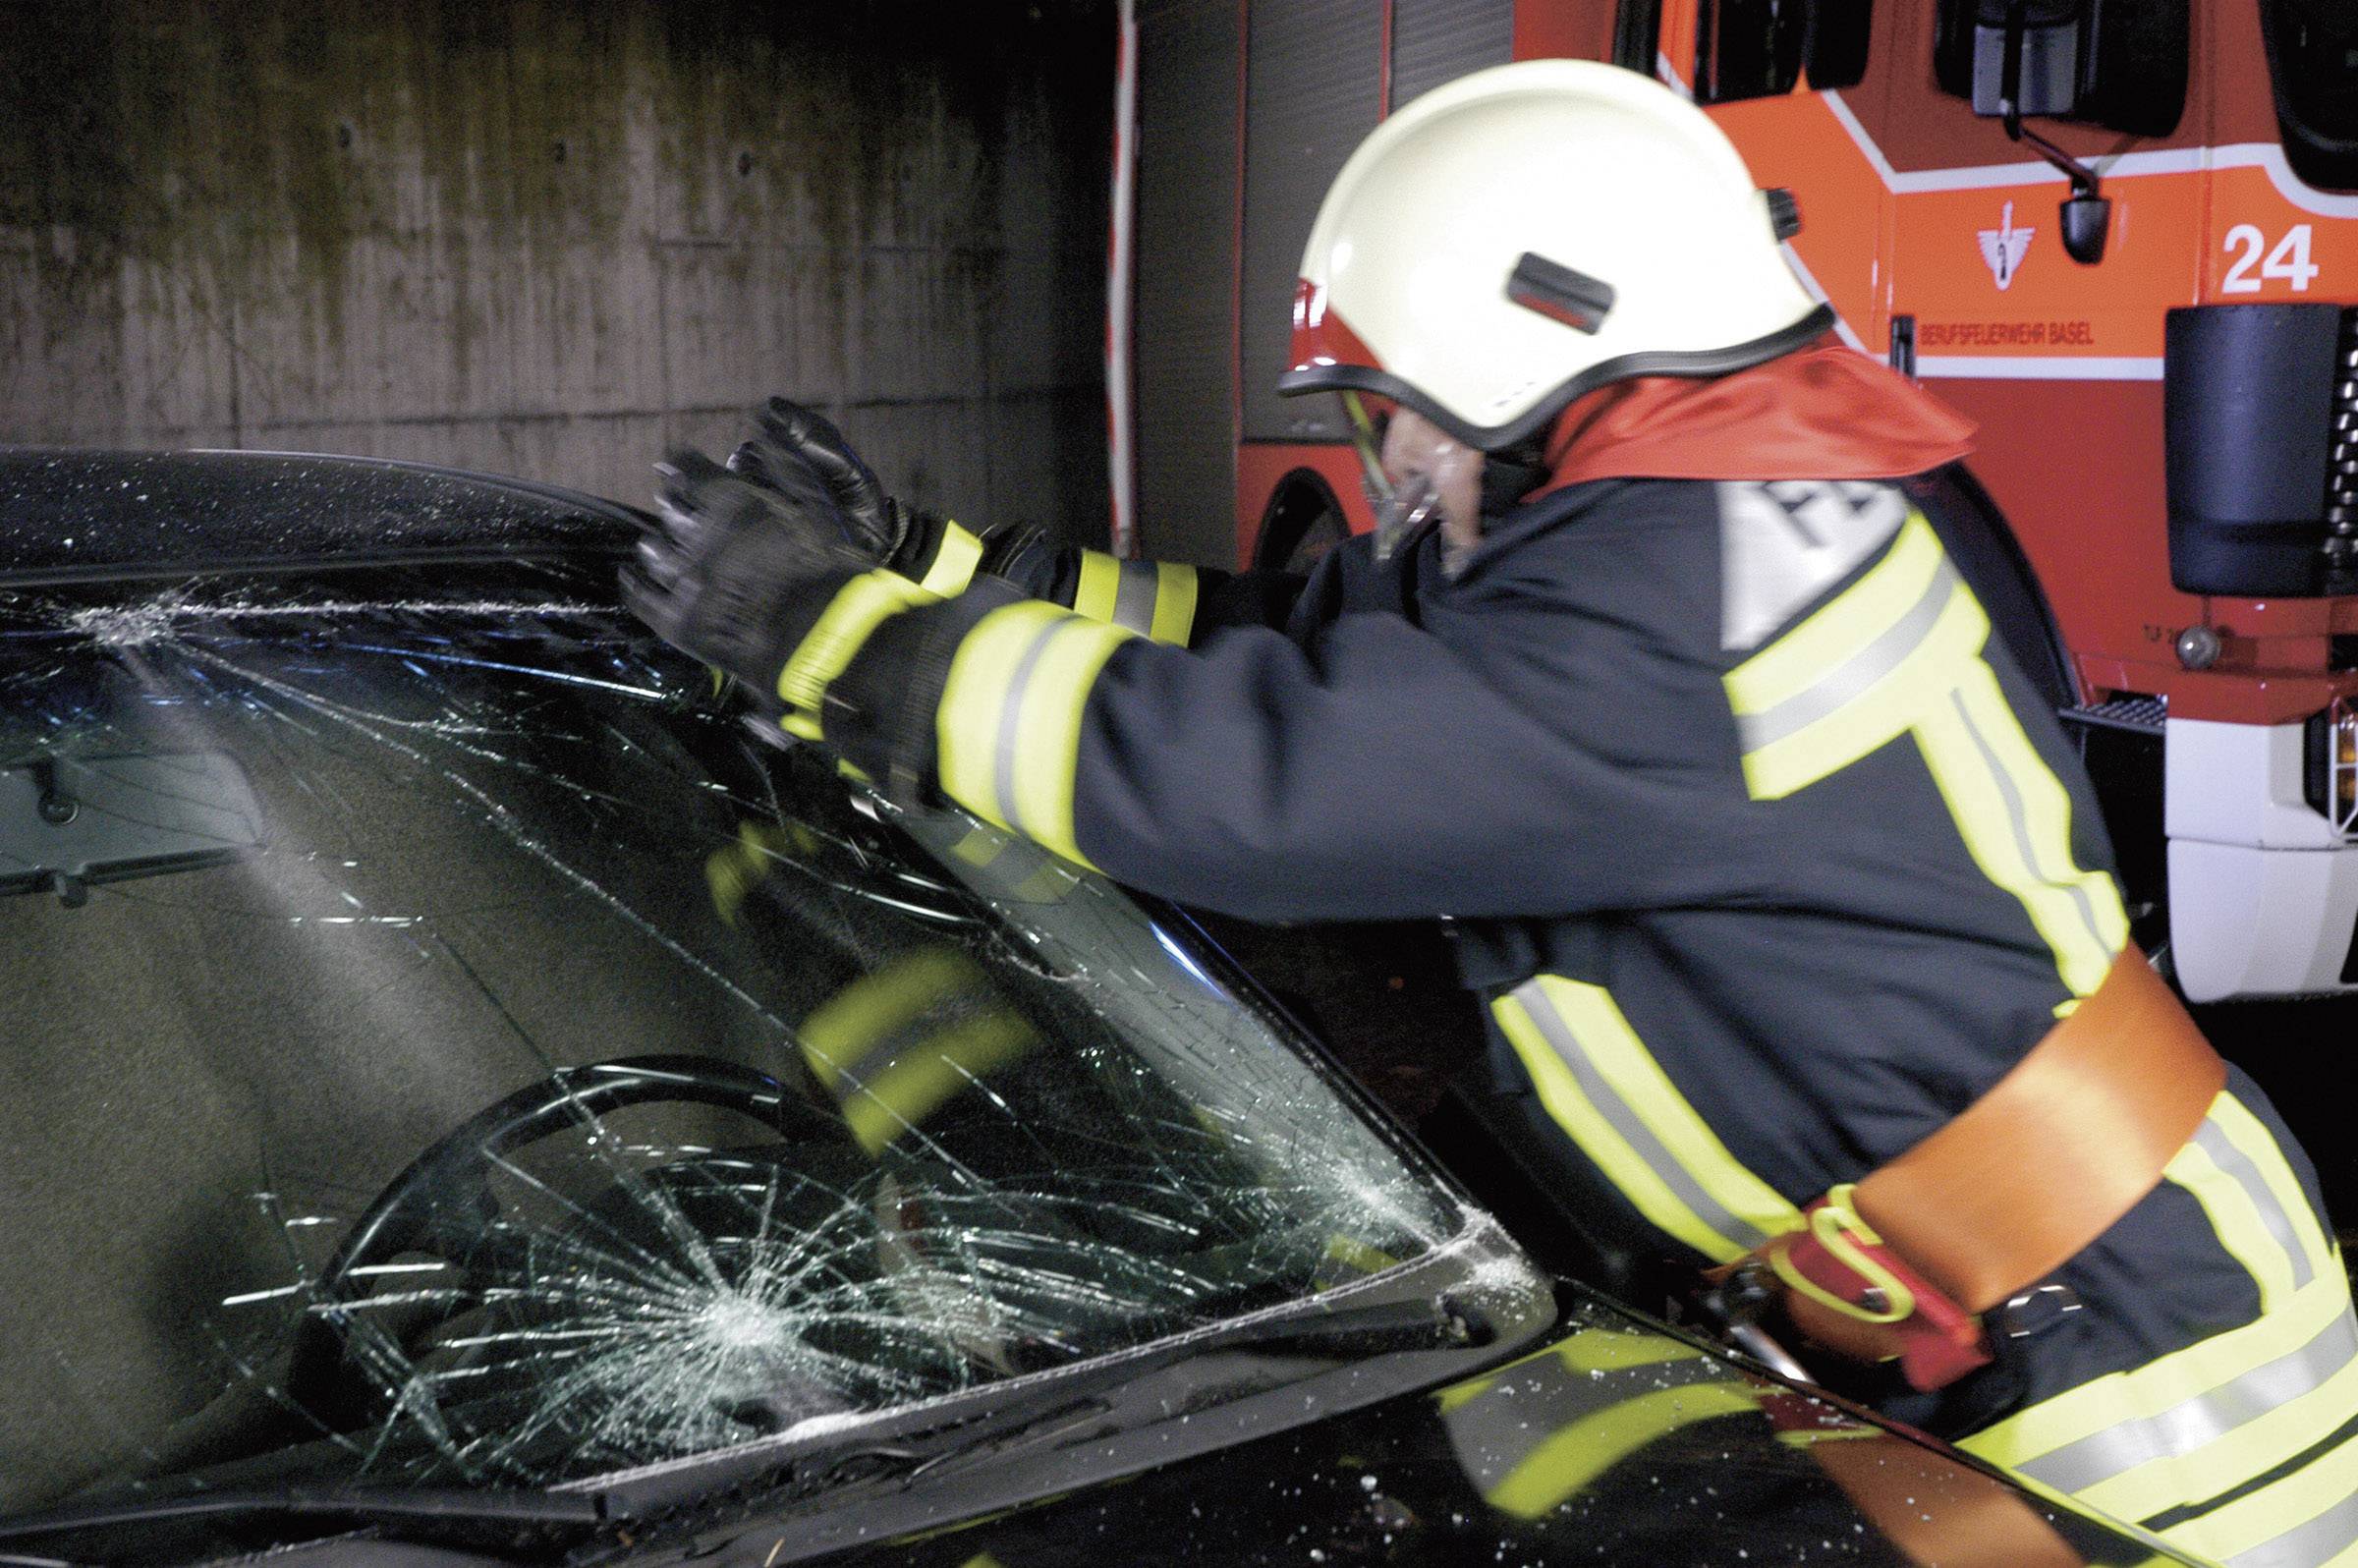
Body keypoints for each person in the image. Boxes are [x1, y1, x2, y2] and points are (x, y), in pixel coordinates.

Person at [625, 59, 2355, 1562]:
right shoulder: (1689, 514)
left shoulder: (1688, 598)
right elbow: (1301, 651)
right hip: (1982, 1316)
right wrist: (945, 569)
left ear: (1523, 355)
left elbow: (1260, 782)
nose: (1384, 468)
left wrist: (826, 636)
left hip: (2143, 1384)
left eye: (1391, 416)